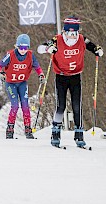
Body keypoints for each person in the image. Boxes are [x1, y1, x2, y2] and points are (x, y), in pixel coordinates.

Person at [37, 16, 103, 148]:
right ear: (64, 32)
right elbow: (40, 48)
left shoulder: (81, 39)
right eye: (70, 33)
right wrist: (47, 49)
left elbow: (92, 46)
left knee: (77, 106)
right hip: (61, 77)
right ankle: (55, 133)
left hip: (75, 77)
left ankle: (79, 135)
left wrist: (97, 50)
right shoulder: (58, 39)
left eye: (75, 33)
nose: (73, 36)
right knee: (61, 106)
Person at [0, 34, 45, 139]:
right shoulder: (11, 55)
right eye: (21, 47)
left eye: (26, 48)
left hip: (22, 83)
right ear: (17, 46)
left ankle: (28, 130)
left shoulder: (30, 56)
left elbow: (38, 67)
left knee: (25, 106)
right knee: (15, 105)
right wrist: (0, 73)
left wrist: (41, 75)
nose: (23, 50)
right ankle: (10, 129)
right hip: (11, 83)